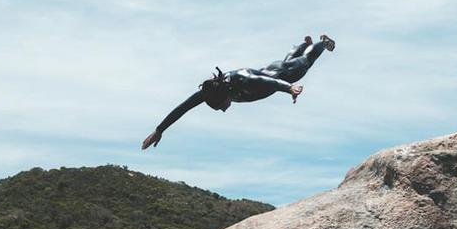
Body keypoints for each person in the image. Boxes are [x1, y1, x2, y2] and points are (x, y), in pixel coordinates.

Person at [142, 34, 336, 149]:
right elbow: (183, 108)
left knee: (304, 63)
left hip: (281, 76)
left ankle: (321, 43)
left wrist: (289, 88)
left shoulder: (241, 79)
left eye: (220, 106)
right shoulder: (211, 91)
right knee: (287, 61)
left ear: (225, 94)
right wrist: (160, 130)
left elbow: (268, 82)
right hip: (273, 68)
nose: (223, 110)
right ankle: (303, 44)